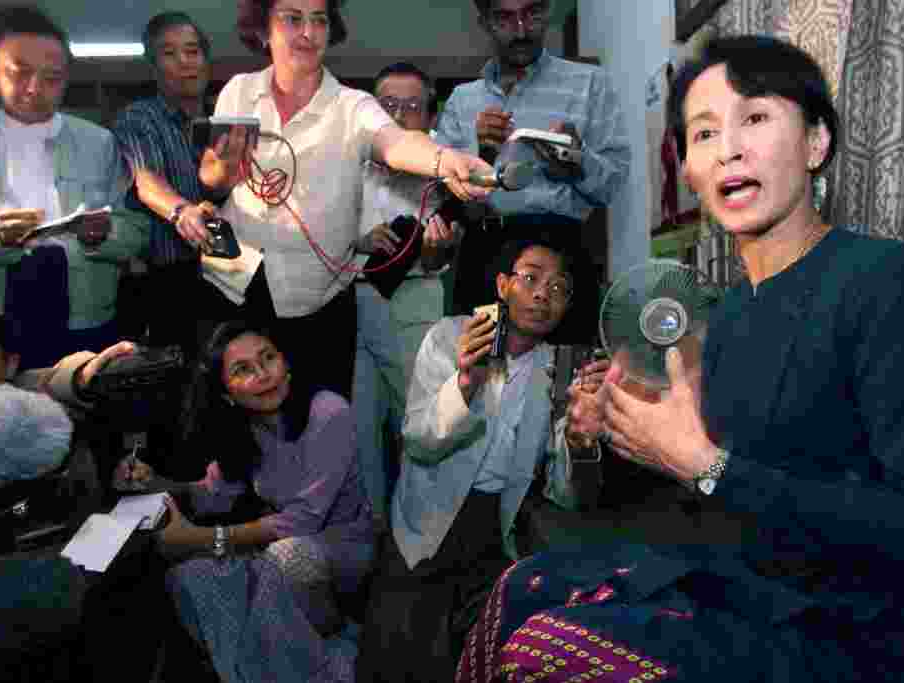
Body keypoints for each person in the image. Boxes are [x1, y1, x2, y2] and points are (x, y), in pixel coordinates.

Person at [455, 36, 904, 683]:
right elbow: (694, 475)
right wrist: (614, 431)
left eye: (755, 118)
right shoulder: (725, 316)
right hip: (754, 592)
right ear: (692, 170)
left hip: (870, 627)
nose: (728, 147)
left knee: (547, 646)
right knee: (520, 587)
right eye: (704, 133)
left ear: (816, 144)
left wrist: (707, 465)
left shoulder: (889, 284)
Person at [197, 0, 492, 401]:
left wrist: (444, 161)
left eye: (318, 20)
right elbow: (212, 180)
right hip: (235, 285)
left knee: (320, 419)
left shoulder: (353, 106)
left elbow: (396, 142)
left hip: (318, 301)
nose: (307, 32)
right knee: (232, 422)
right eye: (292, 18)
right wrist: (219, 172)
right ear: (263, 30)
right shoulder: (239, 91)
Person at [357, 229, 605, 683]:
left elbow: (565, 495)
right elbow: (418, 440)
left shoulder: (558, 370)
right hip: (426, 516)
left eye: (558, 288)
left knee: (479, 655)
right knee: (396, 652)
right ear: (502, 286)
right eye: (531, 278)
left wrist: (580, 439)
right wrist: (466, 384)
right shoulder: (451, 337)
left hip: (496, 529)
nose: (542, 295)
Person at [115, 320, 374, 683]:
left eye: (268, 358)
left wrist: (202, 539)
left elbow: (302, 523)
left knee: (287, 559)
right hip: (277, 550)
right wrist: (152, 481)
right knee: (190, 576)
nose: (263, 374)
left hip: (345, 551)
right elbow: (210, 497)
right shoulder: (243, 428)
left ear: (286, 363)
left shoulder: (328, 412)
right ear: (226, 394)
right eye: (243, 370)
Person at [0, 301, 169, 681]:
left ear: (8, 364)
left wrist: (85, 374)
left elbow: (61, 378)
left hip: (69, 575)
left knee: (137, 539)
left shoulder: (30, 400)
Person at [0, 5, 147, 370]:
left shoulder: (99, 143)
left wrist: (102, 234)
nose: (35, 88)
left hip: (83, 312)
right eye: (21, 72)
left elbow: (137, 232)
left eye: (52, 77)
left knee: (83, 416)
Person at [435, 0, 630, 314]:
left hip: (562, 249)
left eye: (532, 14)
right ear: (484, 21)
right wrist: (481, 152)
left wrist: (576, 163)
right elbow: (446, 201)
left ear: (548, 11)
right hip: (482, 252)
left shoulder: (591, 84)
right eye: (505, 18)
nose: (522, 29)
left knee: (567, 361)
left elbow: (612, 186)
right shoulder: (462, 101)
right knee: (478, 359)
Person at [352, 61, 462, 524]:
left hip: (417, 298)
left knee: (418, 426)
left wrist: (437, 252)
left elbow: (443, 259)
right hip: (351, 300)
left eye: (412, 106)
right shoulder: (345, 166)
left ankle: (420, 534)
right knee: (359, 432)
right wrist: (355, 241)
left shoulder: (445, 171)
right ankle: (369, 535)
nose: (398, 115)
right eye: (387, 105)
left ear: (429, 118)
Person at [114, 12, 224, 355]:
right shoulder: (139, 118)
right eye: (169, 53)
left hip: (230, 272)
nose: (185, 62)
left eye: (192, 51)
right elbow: (148, 182)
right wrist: (182, 212)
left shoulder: (225, 117)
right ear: (153, 66)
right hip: (167, 281)